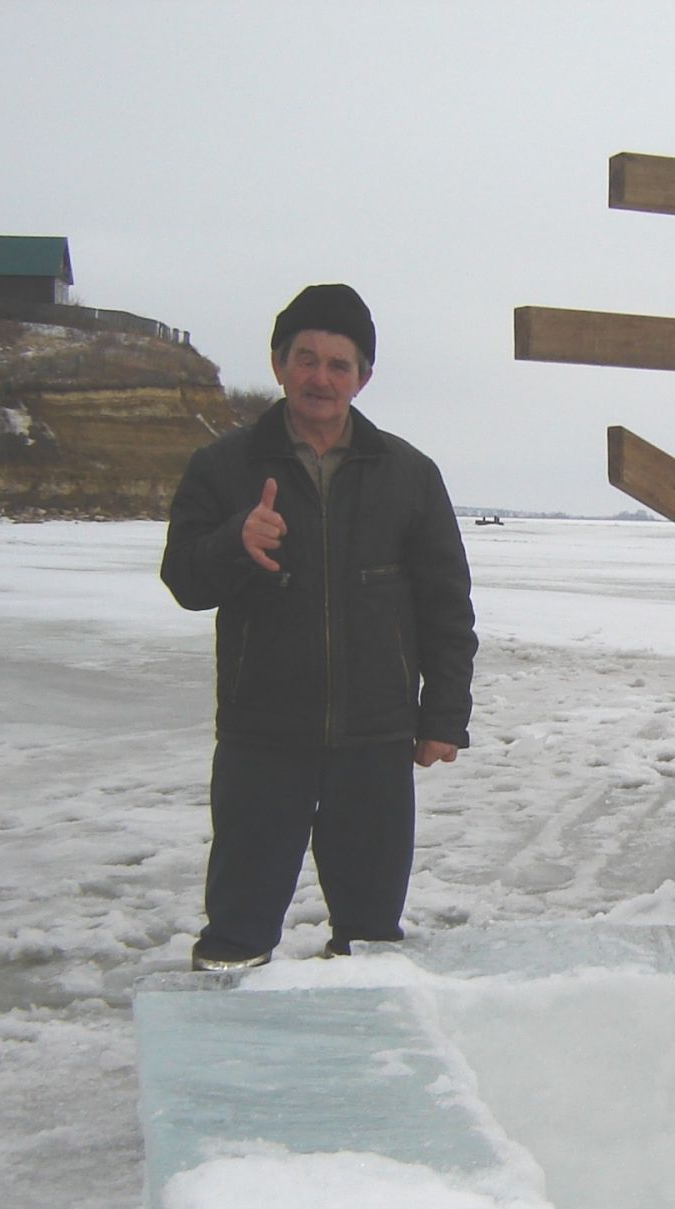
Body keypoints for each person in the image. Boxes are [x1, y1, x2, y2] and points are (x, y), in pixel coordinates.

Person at [161, 284, 477, 970]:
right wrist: (234, 543)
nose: (321, 379)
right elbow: (184, 580)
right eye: (307, 359)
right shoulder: (224, 467)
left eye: (340, 365)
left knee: (369, 939)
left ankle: (367, 1066)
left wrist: (444, 714)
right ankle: (230, 1054)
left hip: (375, 741)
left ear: (363, 377)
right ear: (279, 364)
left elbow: (447, 607)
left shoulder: (409, 474)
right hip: (262, 738)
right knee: (237, 934)